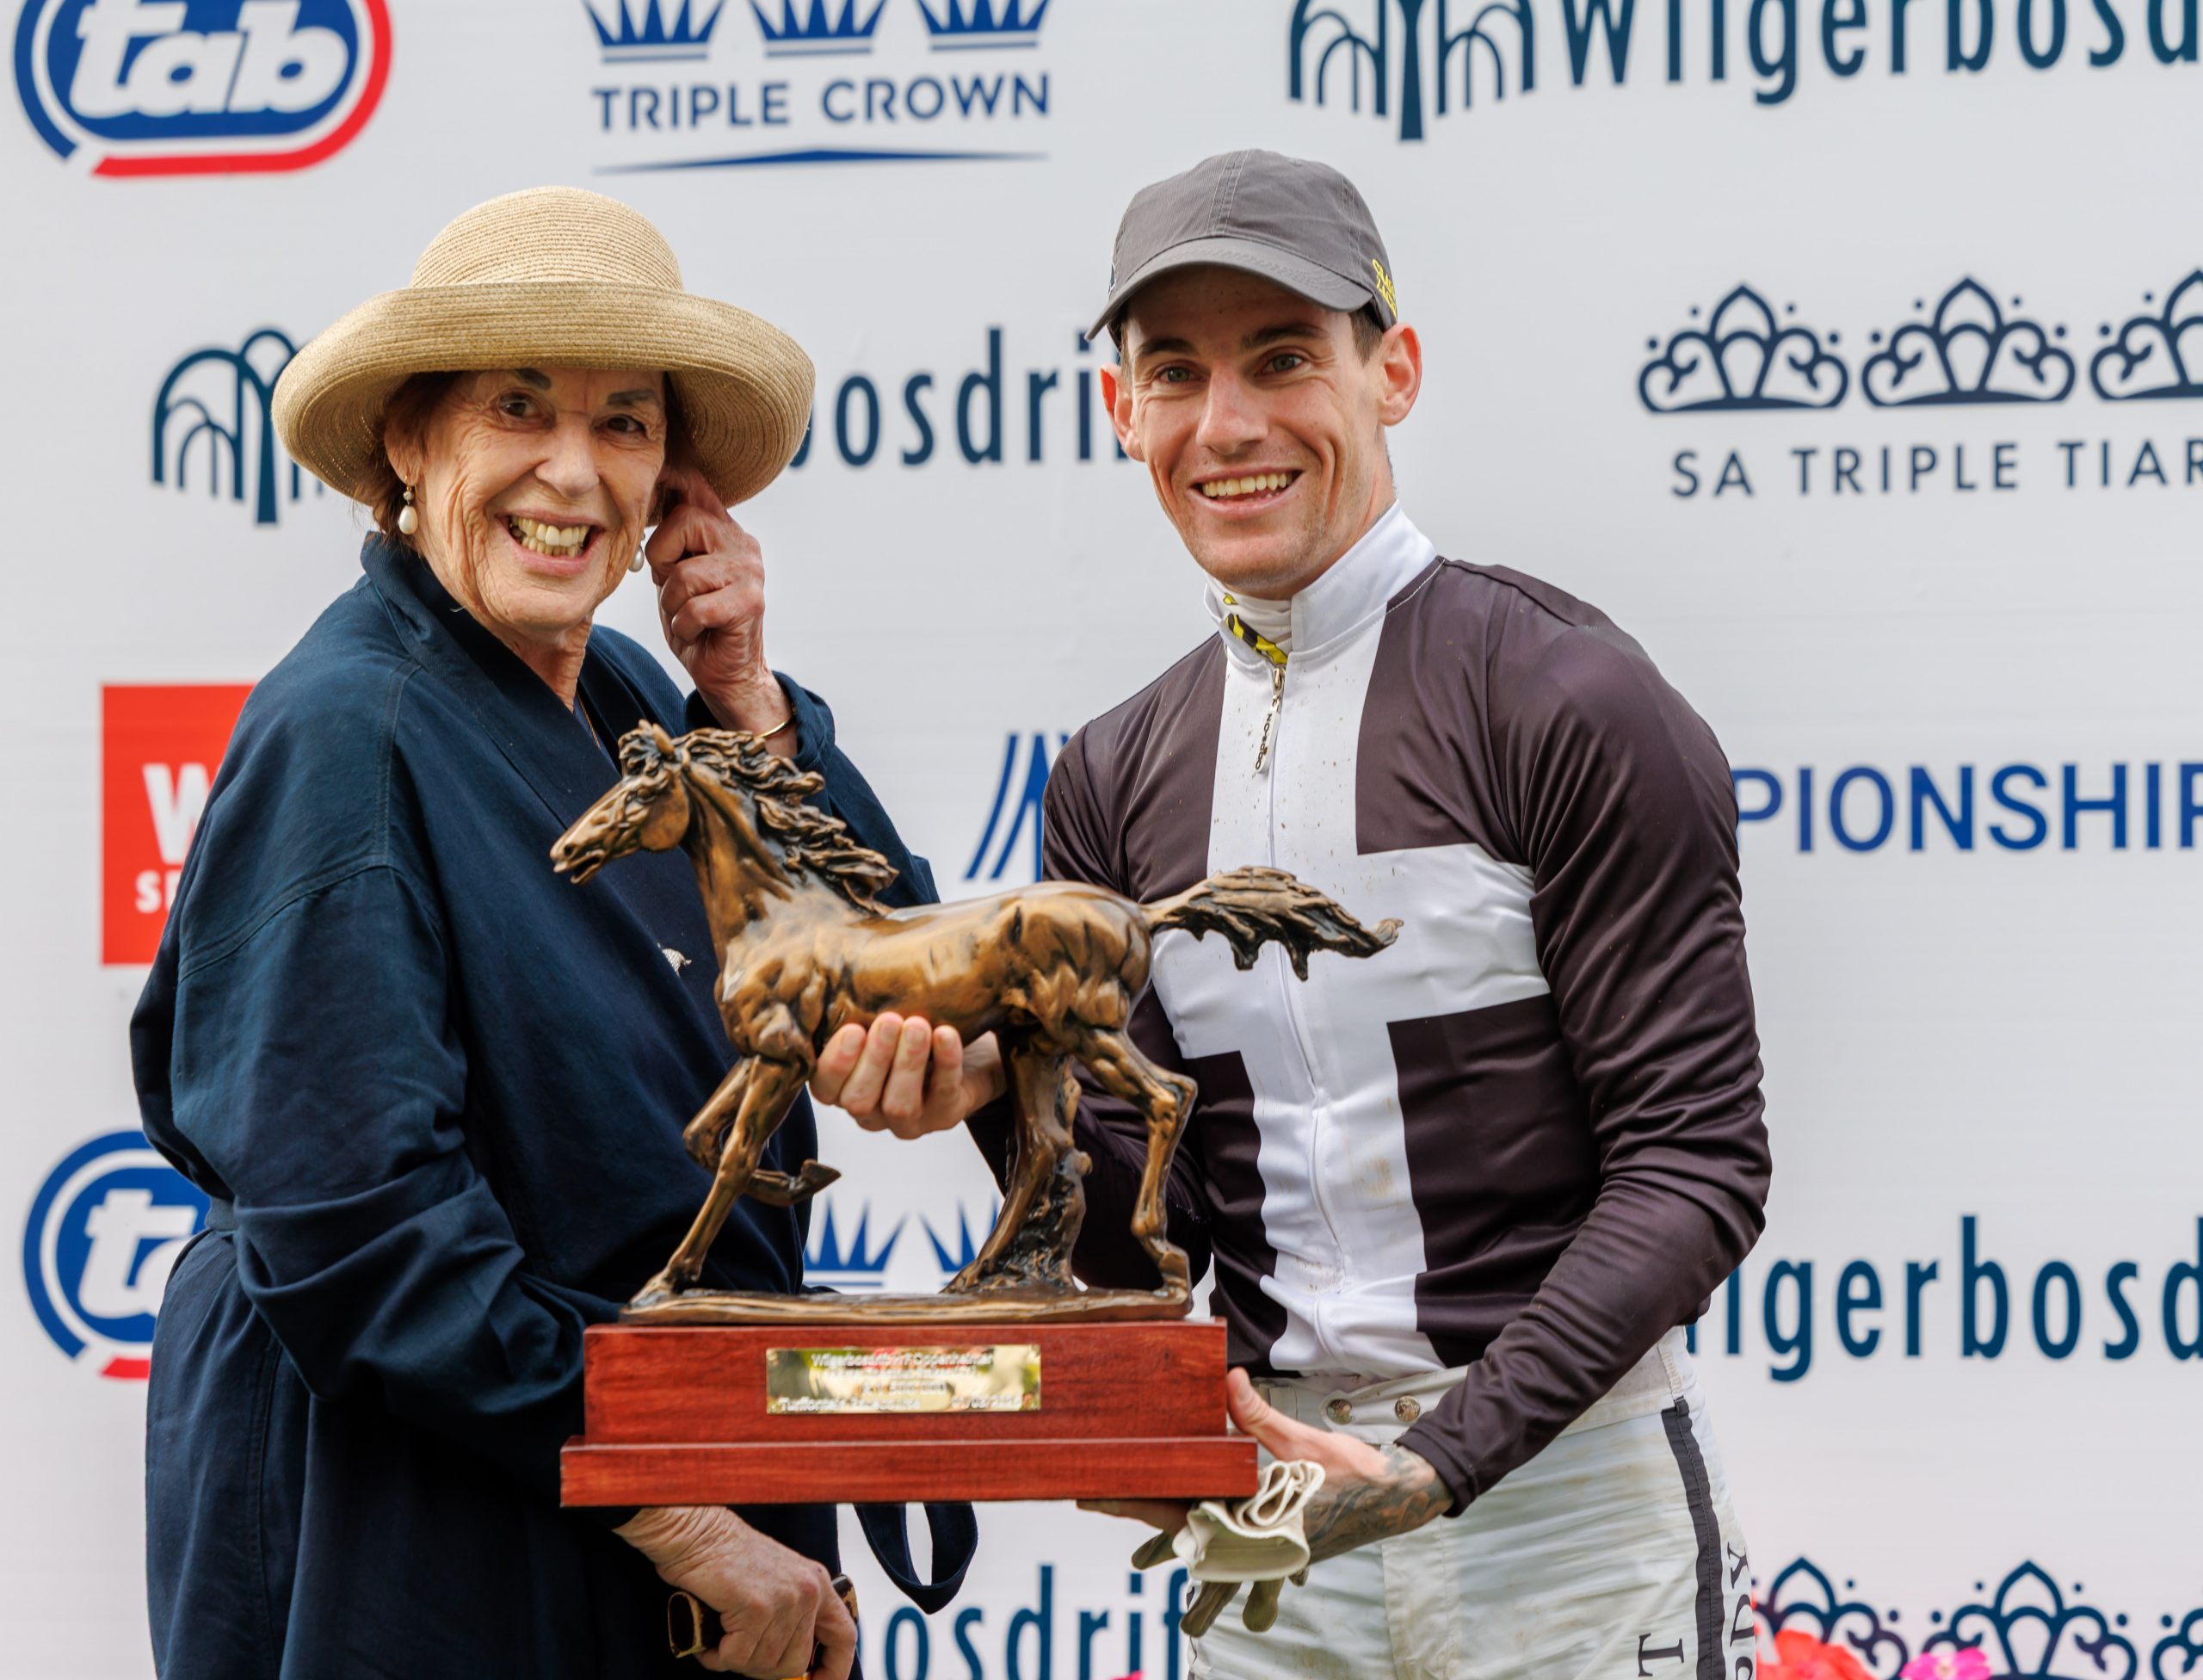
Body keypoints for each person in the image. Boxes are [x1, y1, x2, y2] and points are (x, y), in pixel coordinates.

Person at [812, 151, 1772, 1678]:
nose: (1230, 425)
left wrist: (1442, 1460)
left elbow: (1697, 1162)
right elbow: (1153, 1240)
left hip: (1562, 1507)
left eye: (1282, 359)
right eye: (1175, 373)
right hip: (1270, 1519)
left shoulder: (1570, 698)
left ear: (1391, 371)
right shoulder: (1114, 777)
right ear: (1121, 413)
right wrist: (1001, 1101)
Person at [132, 186, 968, 1680]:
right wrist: (684, 1513)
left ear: (674, 483)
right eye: (519, 408)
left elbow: (895, 970)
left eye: (626, 424)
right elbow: (356, 1233)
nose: (572, 476)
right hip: (422, 1522)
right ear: (410, 440)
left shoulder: (643, 698)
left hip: (628, 1476)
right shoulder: (350, 728)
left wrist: (749, 695)